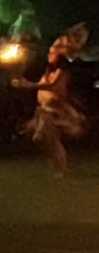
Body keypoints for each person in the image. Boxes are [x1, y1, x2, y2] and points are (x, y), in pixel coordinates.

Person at [11, 23, 88, 177]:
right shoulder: (49, 67)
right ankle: (57, 166)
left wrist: (27, 85)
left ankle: (60, 169)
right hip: (45, 108)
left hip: (55, 108)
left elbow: (51, 85)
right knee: (40, 137)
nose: (51, 50)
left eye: (56, 47)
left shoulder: (62, 65)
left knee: (47, 137)